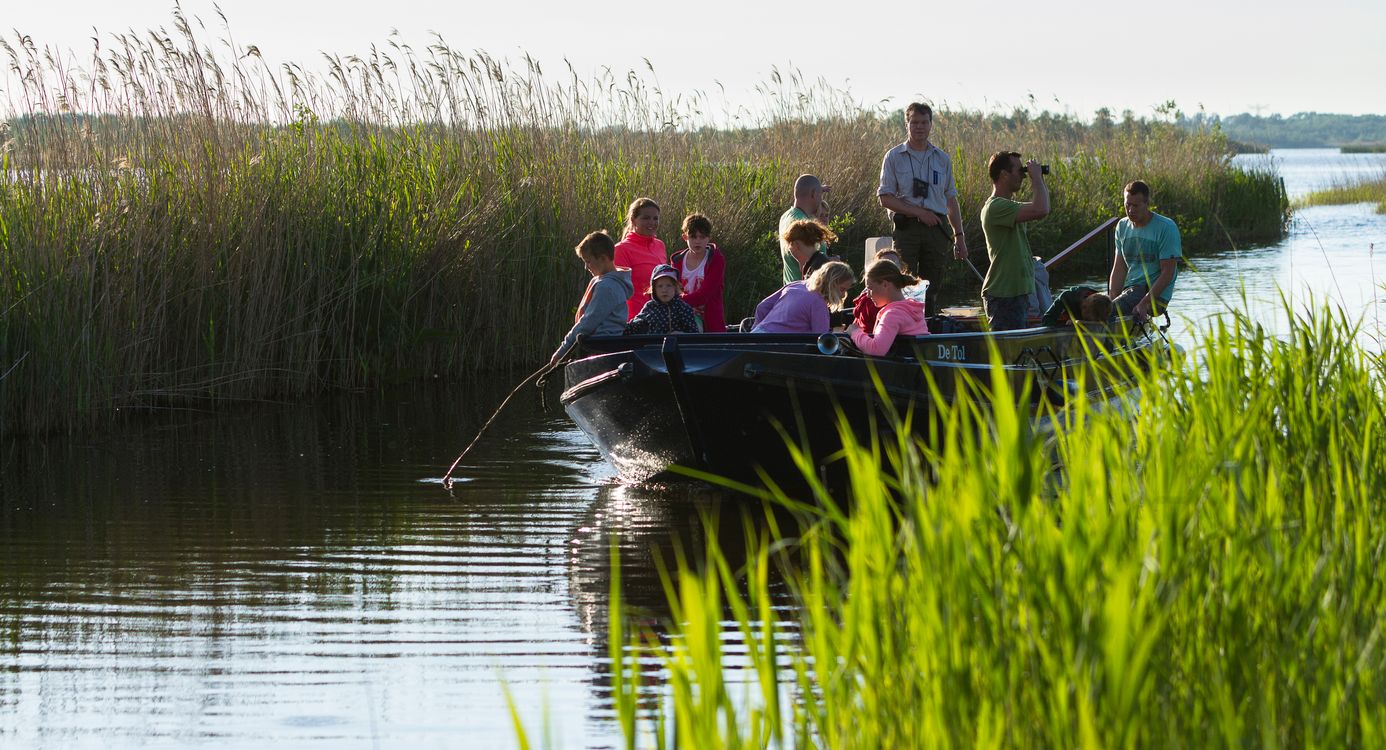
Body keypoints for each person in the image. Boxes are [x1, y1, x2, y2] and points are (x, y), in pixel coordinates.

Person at [877, 102, 969, 316]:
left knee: (932, 284)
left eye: (924, 122)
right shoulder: (893, 157)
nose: (919, 127)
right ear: (906, 124)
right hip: (906, 228)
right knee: (904, 281)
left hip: (936, 228)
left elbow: (951, 201)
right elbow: (885, 198)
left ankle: (928, 325)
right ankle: (902, 324)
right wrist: (919, 213)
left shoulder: (942, 158)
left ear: (930, 125)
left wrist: (959, 237)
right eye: (914, 122)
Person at [980, 151, 1049, 331]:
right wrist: (1037, 179)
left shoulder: (1009, 206)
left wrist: (1037, 178)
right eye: (1020, 171)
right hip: (1004, 294)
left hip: (1017, 293)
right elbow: (1040, 209)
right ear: (1004, 174)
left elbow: (1042, 208)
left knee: (1018, 353)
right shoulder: (995, 207)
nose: (1023, 176)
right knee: (1007, 354)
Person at [550, 231, 633, 365]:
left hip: (601, 348)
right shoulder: (606, 281)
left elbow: (588, 322)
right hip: (604, 347)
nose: (586, 267)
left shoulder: (607, 286)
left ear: (603, 258)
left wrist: (562, 352)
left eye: (588, 261)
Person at [1109, 180, 1182, 322]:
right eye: (1127, 205)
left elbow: (1168, 273)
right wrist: (1111, 300)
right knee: (1078, 299)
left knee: (1108, 311)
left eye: (1135, 205)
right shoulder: (1122, 226)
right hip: (1130, 291)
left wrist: (1144, 303)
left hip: (1154, 296)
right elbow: (1119, 268)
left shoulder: (1166, 227)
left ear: (1147, 203)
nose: (1130, 210)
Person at [847, 261, 930, 356]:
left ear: (885, 285)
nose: (868, 295)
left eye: (870, 288)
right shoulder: (914, 310)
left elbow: (876, 349)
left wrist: (855, 333)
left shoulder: (892, 314)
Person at [750, 261, 856, 334]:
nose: (843, 295)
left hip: (757, 334)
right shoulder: (818, 303)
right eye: (842, 289)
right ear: (831, 284)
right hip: (776, 345)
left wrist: (756, 330)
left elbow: (762, 307)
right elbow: (820, 337)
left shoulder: (795, 285)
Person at [670, 213, 726, 332]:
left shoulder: (716, 260)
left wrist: (677, 303)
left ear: (709, 237)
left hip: (710, 323)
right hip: (682, 319)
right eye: (693, 237)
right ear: (685, 237)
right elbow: (673, 290)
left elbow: (705, 294)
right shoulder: (677, 261)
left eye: (702, 237)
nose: (698, 241)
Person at [614, 197, 667, 319]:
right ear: (633, 220)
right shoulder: (621, 249)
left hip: (660, 319)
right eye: (646, 218)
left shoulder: (660, 245)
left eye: (655, 218)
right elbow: (618, 291)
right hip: (634, 321)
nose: (652, 222)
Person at [778, 174, 830, 283]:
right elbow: (808, 264)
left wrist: (818, 190)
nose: (821, 200)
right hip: (805, 293)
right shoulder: (803, 225)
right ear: (813, 194)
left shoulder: (786, 216)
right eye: (820, 195)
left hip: (792, 290)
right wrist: (831, 262)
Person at [624, 264, 700, 335]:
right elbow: (634, 326)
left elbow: (694, 334)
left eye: (668, 286)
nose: (664, 290)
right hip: (655, 347)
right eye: (660, 286)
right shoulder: (650, 307)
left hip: (678, 347)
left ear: (675, 287)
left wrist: (682, 335)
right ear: (654, 289)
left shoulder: (683, 308)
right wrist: (617, 327)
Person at [1041, 286, 1114, 327]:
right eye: (1088, 319)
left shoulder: (1103, 304)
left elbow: (1111, 320)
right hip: (1063, 321)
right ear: (1083, 307)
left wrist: (1079, 323)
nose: (1088, 320)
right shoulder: (1066, 297)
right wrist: (1064, 326)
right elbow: (1047, 319)